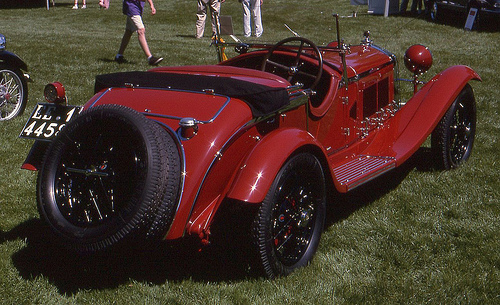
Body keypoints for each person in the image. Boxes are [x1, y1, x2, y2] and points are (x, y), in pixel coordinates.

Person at [115, 0, 163, 66]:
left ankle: (119, 56)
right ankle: (150, 58)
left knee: (128, 32)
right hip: (131, 7)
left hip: (137, 7)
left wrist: (151, 5)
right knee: (141, 30)